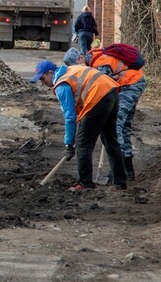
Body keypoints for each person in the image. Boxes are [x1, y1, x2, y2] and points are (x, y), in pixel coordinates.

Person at [32, 60, 127, 191]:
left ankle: (85, 183)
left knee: (83, 144)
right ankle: (120, 183)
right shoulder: (70, 70)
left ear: (50, 73)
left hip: (98, 97)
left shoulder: (61, 84)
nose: (43, 83)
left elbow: (70, 117)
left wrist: (69, 144)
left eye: (42, 79)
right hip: (111, 92)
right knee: (110, 140)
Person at [88, 47, 146, 180]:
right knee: (124, 126)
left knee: (116, 125)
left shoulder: (100, 64)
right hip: (132, 83)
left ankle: (119, 170)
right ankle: (128, 170)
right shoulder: (98, 57)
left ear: (81, 59)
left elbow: (105, 90)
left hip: (130, 85)